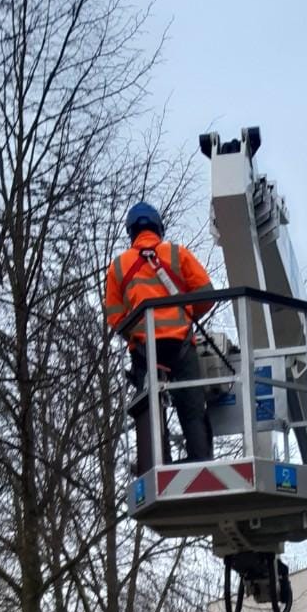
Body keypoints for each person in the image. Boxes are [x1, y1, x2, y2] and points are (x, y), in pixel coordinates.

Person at [103, 201, 215, 473]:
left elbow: (115, 317)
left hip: (145, 350)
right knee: (191, 406)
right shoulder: (177, 254)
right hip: (180, 345)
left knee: (150, 409)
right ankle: (200, 460)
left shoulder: (118, 267)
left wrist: (135, 335)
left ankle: (154, 463)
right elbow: (206, 294)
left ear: (131, 232)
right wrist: (186, 319)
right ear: (158, 228)